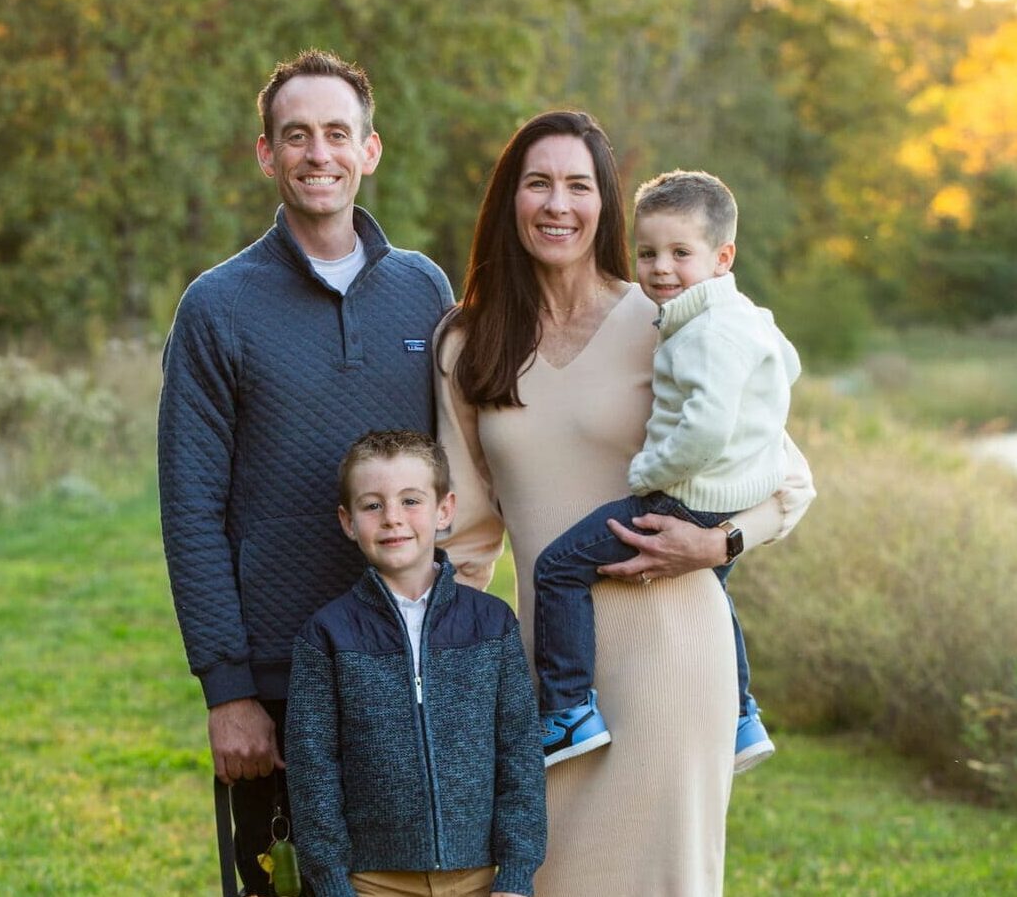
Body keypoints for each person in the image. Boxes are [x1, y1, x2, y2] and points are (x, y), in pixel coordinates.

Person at [435, 110, 815, 896]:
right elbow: (467, 535)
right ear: (509, 199)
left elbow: (787, 480)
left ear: (605, 204)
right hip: (553, 680)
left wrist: (719, 547)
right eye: (537, 183)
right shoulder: (466, 341)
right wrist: (438, 670)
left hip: (674, 654)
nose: (557, 204)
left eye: (578, 185)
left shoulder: (673, 317)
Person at [157, 49, 454, 897]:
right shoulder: (217, 306)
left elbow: (461, 466)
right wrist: (228, 690)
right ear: (266, 154)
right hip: (282, 685)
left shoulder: (423, 289)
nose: (316, 153)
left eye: (336, 133)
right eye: (295, 136)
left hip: (413, 666)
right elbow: (191, 507)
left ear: (369, 150)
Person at [532, 169, 801, 773]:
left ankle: (568, 708)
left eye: (681, 253)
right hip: (728, 500)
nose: (659, 268)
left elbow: (703, 431)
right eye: (648, 252)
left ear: (721, 256)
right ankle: (740, 714)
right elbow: (787, 362)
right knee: (716, 591)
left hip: (683, 500)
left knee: (557, 569)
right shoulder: (745, 317)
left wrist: (649, 471)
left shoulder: (699, 332)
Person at [285, 430, 546, 897]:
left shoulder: (491, 624)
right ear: (347, 521)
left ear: (444, 509)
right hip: (370, 882)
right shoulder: (326, 635)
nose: (392, 520)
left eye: (410, 501)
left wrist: (515, 874)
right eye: (372, 506)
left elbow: (520, 755)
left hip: (481, 878)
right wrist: (331, 882)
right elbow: (313, 771)